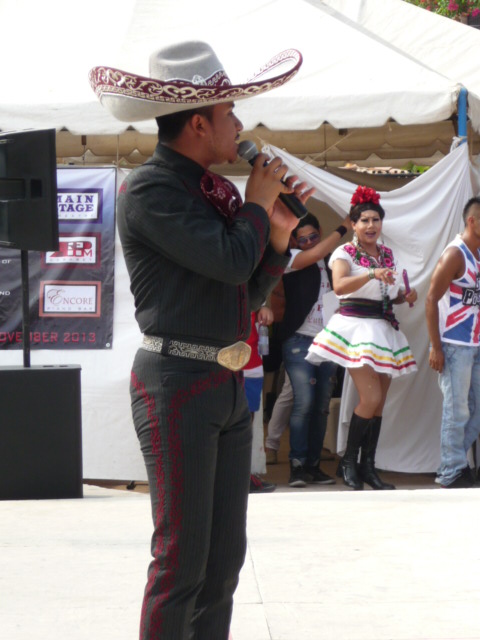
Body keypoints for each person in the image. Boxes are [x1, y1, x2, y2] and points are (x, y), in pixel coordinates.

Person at [90, 41, 306, 639]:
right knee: (180, 563)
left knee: (222, 564)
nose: (240, 126)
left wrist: (279, 239)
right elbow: (233, 261)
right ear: (198, 122)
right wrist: (260, 206)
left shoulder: (219, 194)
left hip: (225, 384)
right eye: (231, 113)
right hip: (176, 386)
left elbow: (246, 294)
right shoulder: (151, 189)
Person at [306, 186, 417, 490]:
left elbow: (386, 294)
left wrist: (404, 296)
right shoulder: (344, 252)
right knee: (371, 398)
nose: (371, 225)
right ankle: (347, 462)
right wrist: (371, 274)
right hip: (354, 327)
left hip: (382, 327)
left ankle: (367, 466)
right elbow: (339, 286)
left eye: (375, 220)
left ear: (382, 224)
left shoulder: (387, 254)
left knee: (379, 404)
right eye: (364, 220)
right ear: (353, 224)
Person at [279, 212, 349, 487]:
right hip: (299, 340)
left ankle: (313, 465)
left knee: (320, 407)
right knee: (304, 402)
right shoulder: (293, 258)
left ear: (320, 232)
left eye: (313, 237)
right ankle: (296, 465)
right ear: (295, 241)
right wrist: (344, 226)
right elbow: (315, 251)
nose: (308, 243)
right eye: (302, 239)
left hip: (328, 340)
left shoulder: (335, 263)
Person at [425, 197, 480, 489]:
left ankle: (454, 461)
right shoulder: (455, 254)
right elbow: (431, 298)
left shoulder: (477, 253)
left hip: (475, 343)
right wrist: (435, 347)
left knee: (474, 410)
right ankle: (452, 469)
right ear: (472, 221)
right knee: (457, 409)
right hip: (454, 343)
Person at [243, 307, 277, 493]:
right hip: (221, 364)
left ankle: (242, 475)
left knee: (246, 424)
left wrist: (264, 308)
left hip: (251, 364)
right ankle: (224, 476)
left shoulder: (253, 283)